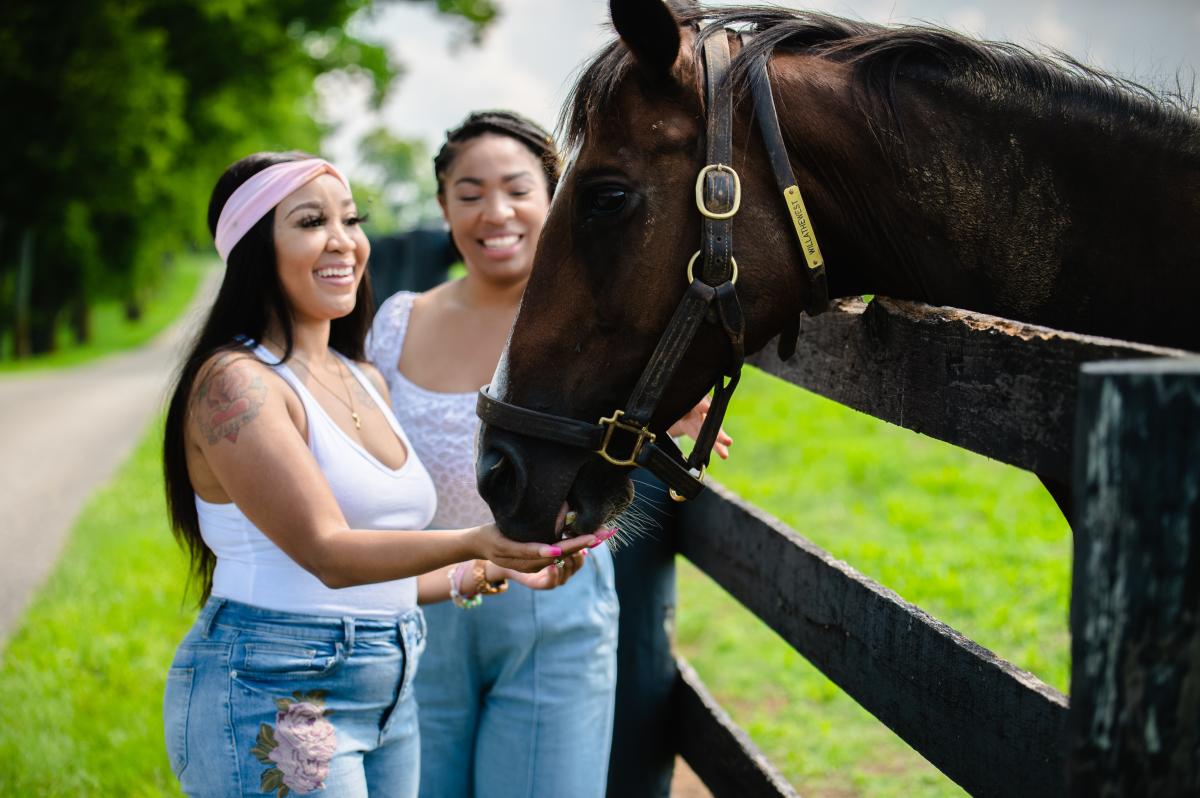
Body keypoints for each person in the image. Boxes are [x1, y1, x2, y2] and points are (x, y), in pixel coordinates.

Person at [160, 151, 601, 798]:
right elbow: (329, 554)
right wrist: (477, 539)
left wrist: (493, 569)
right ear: (256, 249)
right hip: (275, 686)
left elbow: (380, 575)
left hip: (390, 686)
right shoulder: (236, 383)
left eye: (351, 219)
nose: (343, 241)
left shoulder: (362, 377)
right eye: (311, 222)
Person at [367, 111, 730, 798]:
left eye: (515, 188)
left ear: (554, 198)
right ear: (444, 207)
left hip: (552, 611)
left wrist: (655, 422)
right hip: (423, 605)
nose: (494, 211)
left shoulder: (606, 326)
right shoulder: (400, 321)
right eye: (469, 193)